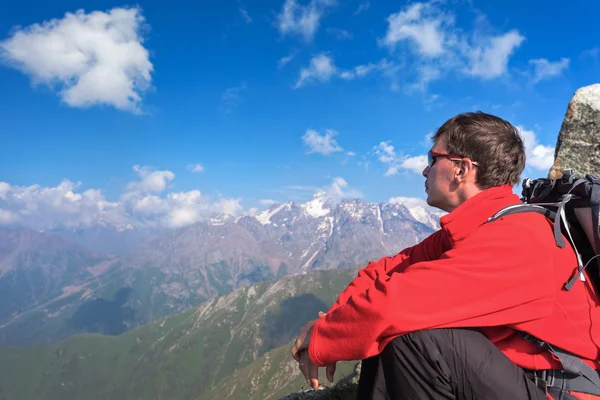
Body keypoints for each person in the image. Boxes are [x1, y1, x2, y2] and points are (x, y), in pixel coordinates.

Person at [290, 111, 600, 400]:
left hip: (553, 391)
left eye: (433, 158)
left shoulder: (516, 238)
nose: (425, 169)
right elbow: (384, 270)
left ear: (461, 169)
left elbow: (393, 308)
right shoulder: (480, 225)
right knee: (397, 332)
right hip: (514, 377)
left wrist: (322, 338)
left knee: (414, 339)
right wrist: (331, 319)